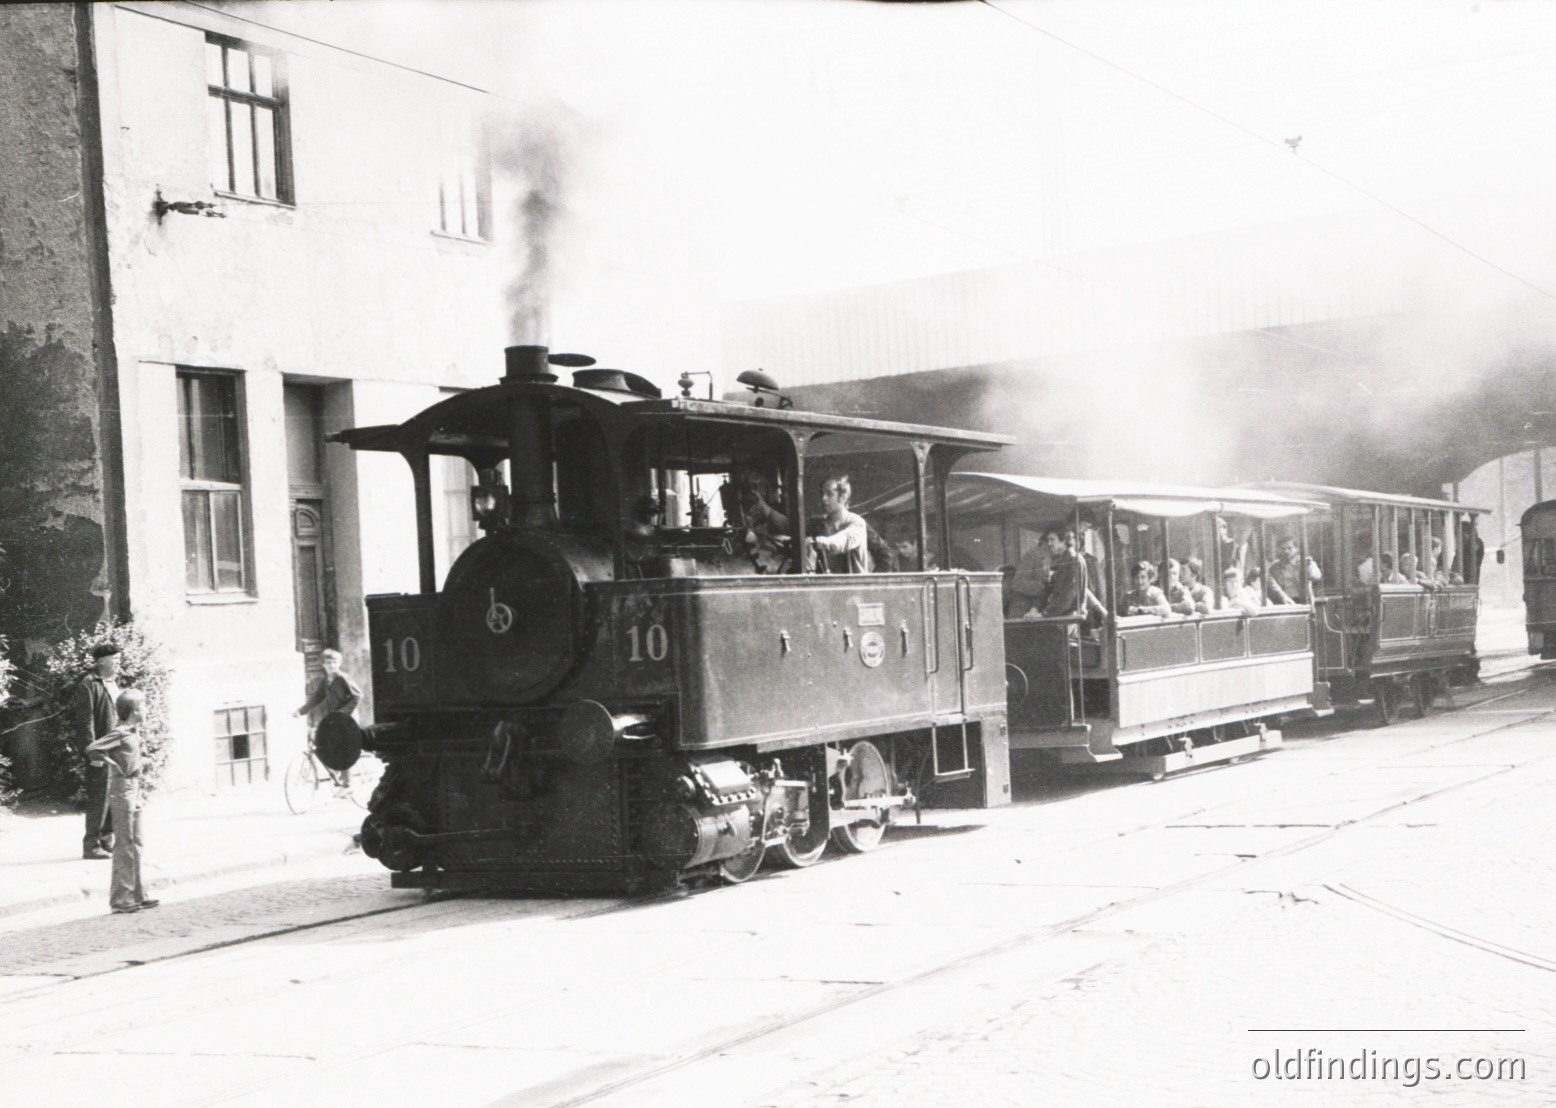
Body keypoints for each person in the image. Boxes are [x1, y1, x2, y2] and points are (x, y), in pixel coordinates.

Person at [85, 689, 158, 915]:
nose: (146, 709)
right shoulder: (120, 732)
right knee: (124, 844)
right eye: (144, 706)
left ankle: (138, 894)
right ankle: (120, 899)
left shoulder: (133, 732)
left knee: (136, 843)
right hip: (123, 788)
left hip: (135, 788)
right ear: (135, 711)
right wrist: (111, 764)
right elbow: (92, 748)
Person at [75, 643, 122, 859]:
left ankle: (106, 839)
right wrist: (92, 752)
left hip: (115, 750)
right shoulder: (88, 684)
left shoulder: (113, 683)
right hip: (100, 751)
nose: (119, 663)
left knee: (112, 796)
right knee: (98, 798)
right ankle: (91, 846)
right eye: (115, 659)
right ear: (101, 661)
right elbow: (86, 722)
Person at [807, 474, 870, 573]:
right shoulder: (822, 523)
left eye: (829, 494)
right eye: (822, 493)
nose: (823, 498)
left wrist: (818, 541)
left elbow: (841, 541)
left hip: (853, 587)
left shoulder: (856, 522)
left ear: (843, 497)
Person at [1008, 529, 1060, 615]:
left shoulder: (1060, 557)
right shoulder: (1032, 555)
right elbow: (1017, 583)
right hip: (1023, 611)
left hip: (1043, 610)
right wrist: (1045, 587)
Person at [1265, 536, 1322, 604]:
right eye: (1283, 549)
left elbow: (1315, 576)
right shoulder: (1275, 566)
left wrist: (1309, 567)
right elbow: (1271, 584)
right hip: (1283, 600)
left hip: (1303, 600)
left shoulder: (1305, 562)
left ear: (1296, 548)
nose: (1286, 551)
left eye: (1289, 548)